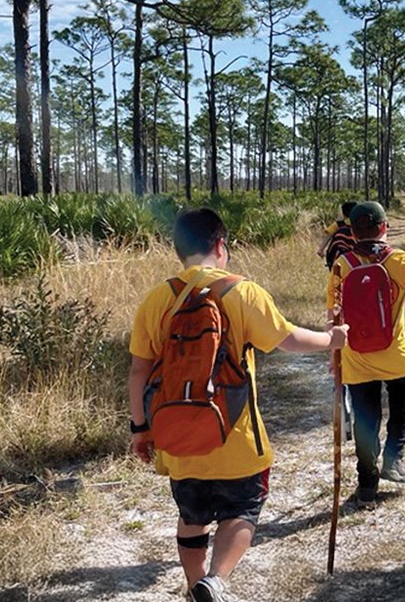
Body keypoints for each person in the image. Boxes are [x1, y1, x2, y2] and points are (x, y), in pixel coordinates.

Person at [128, 208, 348, 602]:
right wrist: (333, 339)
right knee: (242, 511)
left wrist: (140, 428)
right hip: (237, 438)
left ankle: (196, 586)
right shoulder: (241, 291)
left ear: (179, 250)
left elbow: (138, 372)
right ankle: (216, 581)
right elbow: (288, 339)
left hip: (178, 437)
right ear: (220, 246)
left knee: (192, 516)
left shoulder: (157, 299)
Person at [326, 201, 405, 506]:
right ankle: (392, 459)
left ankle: (367, 486)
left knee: (366, 421)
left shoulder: (341, 265)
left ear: (351, 233)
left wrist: (333, 358)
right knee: (403, 405)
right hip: (396, 359)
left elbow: (333, 318)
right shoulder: (398, 260)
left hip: (355, 359)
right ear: (384, 228)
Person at [318, 201, 359, 269]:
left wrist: (321, 250)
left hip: (338, 260)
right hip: (355, 260)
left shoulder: (338, 225)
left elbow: (327, 236)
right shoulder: (359, 225)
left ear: (343, 214)